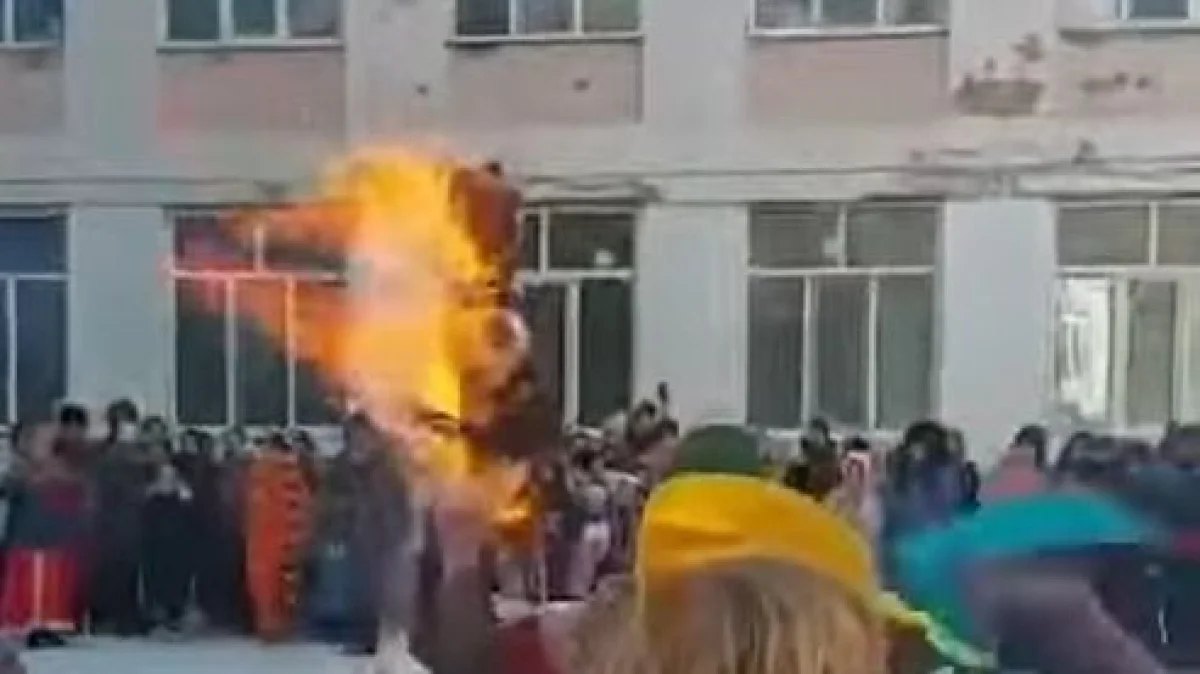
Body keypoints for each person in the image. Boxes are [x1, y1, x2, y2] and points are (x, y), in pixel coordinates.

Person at [0, 426, 90, 647]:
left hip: (54, 537)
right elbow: (10, 489)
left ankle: (49, 626)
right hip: (29, 537)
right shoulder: (21, 469)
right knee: (32, 586)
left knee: (52, 585)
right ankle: (31, 628)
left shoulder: (62, 469)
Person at [89, 400, 152, 636]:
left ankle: (128, 614)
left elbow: (148, 472)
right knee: (113, 566)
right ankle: (110, 616)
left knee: (131, 567)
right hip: (111, 515)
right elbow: (102, 479)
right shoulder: (105, 449)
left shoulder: (139, 449)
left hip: (134, 515)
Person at [244, 433, 315, 642]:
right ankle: (277, 625)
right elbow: (299, 507)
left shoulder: (263, 473)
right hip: (279, 539)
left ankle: (271, 625)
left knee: (266, 585)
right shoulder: (288, 472)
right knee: (282, 585)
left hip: (267, 540)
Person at [141, 460, 197, 635]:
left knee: (177, 581)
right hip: (157, 548)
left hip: (178, 548)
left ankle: (174, 614)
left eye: (171, 477)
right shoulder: (152, 499)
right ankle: (158, 613)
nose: (167, 481)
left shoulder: (184, 498)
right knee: (157, 580)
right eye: (164, 477)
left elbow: (192, 524)